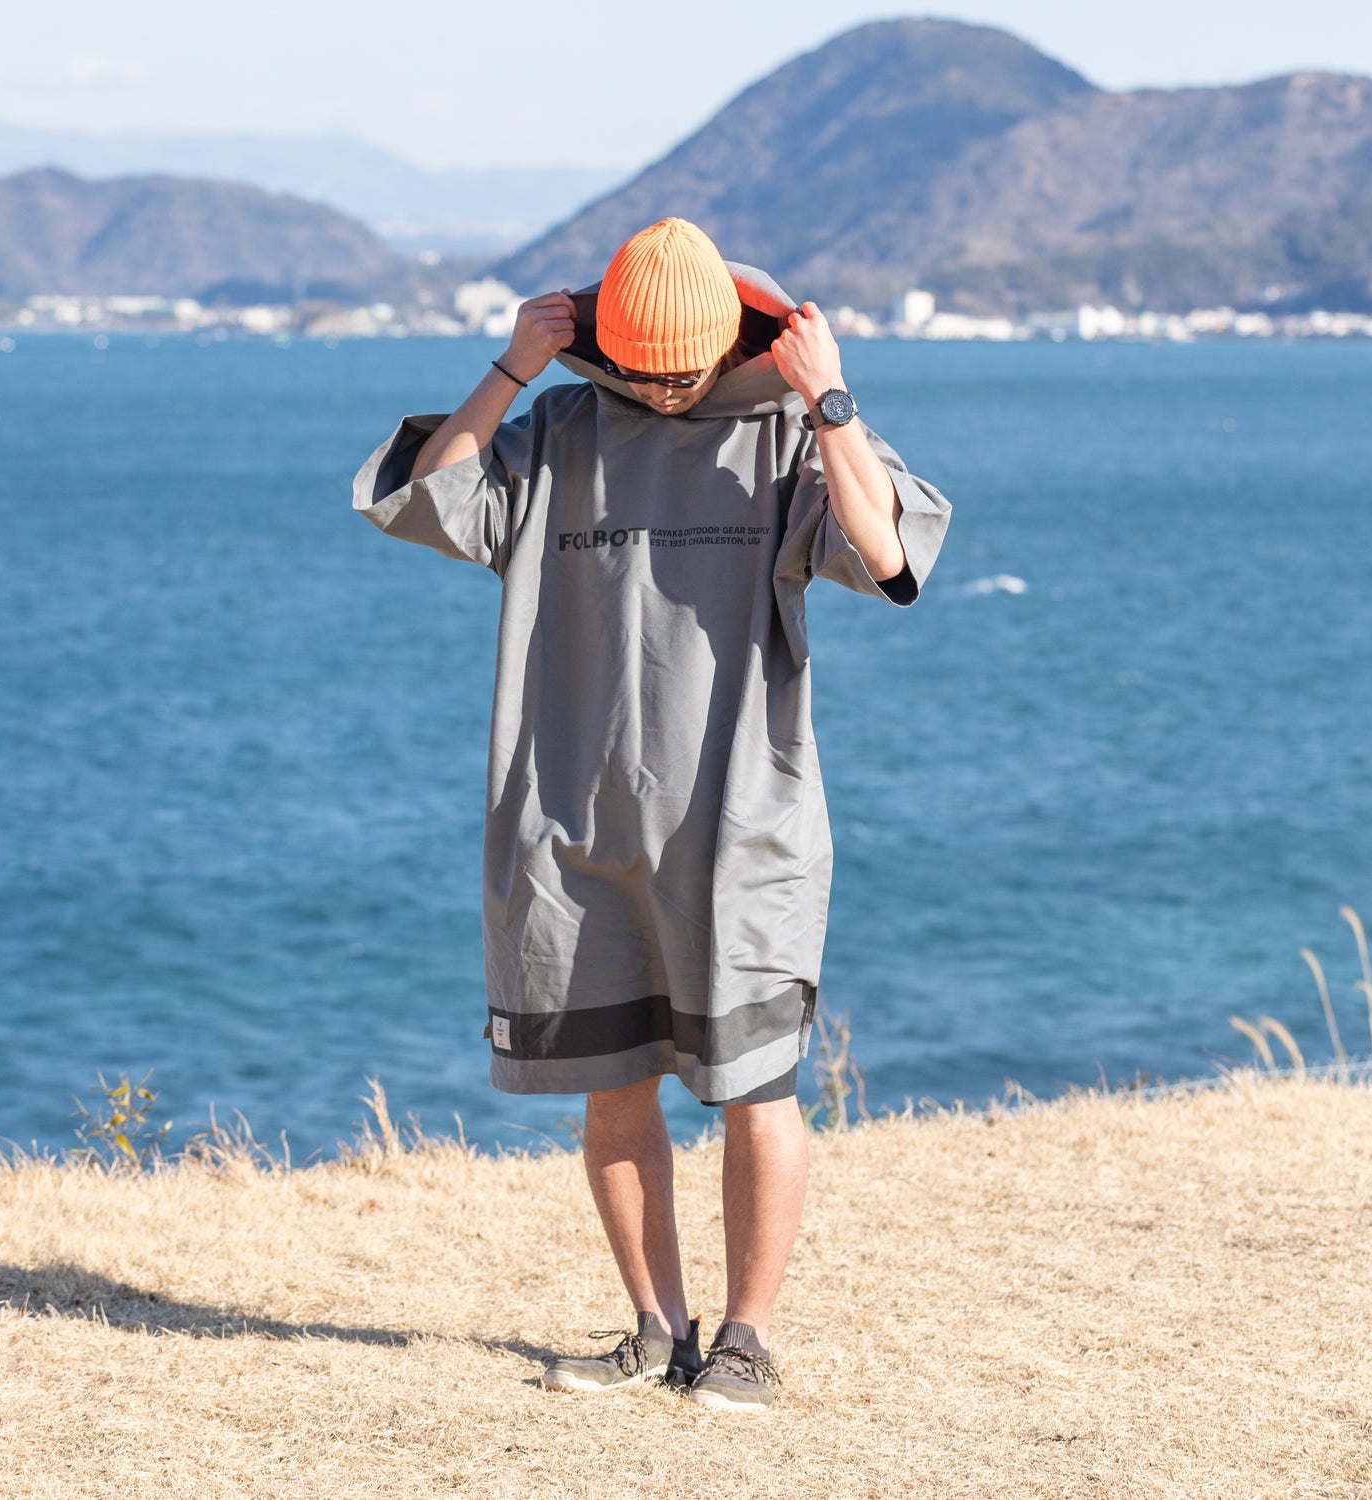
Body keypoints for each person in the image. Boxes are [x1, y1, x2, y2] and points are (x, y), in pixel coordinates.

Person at [352, 218, 950, 1412]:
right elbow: (428, 500)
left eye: (682, 367)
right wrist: (513, 366)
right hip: (570, 819)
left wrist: (829, 399)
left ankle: (747, 1339)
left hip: (745, 823)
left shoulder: (788, 431)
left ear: (731, 338)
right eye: (639, 366)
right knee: (613, 1084)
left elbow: (887, 558)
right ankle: (654, 1327)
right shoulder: (561, 429)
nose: (664, 388)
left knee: (758, 1087)